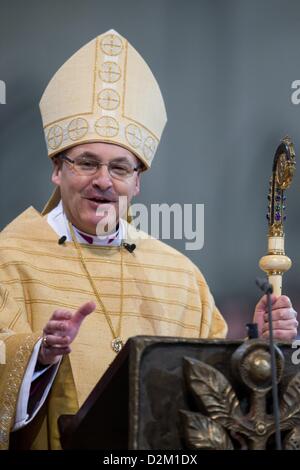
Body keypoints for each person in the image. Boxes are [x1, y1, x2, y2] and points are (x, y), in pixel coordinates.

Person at [0, 29, 297, 450]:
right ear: (57, 169)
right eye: (87, 163)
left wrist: (260, 348)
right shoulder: (9, 260)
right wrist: (39, 356)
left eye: (120, 168)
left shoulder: (179, 276)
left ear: (137, 182)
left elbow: (217, 401)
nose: (103, 181)